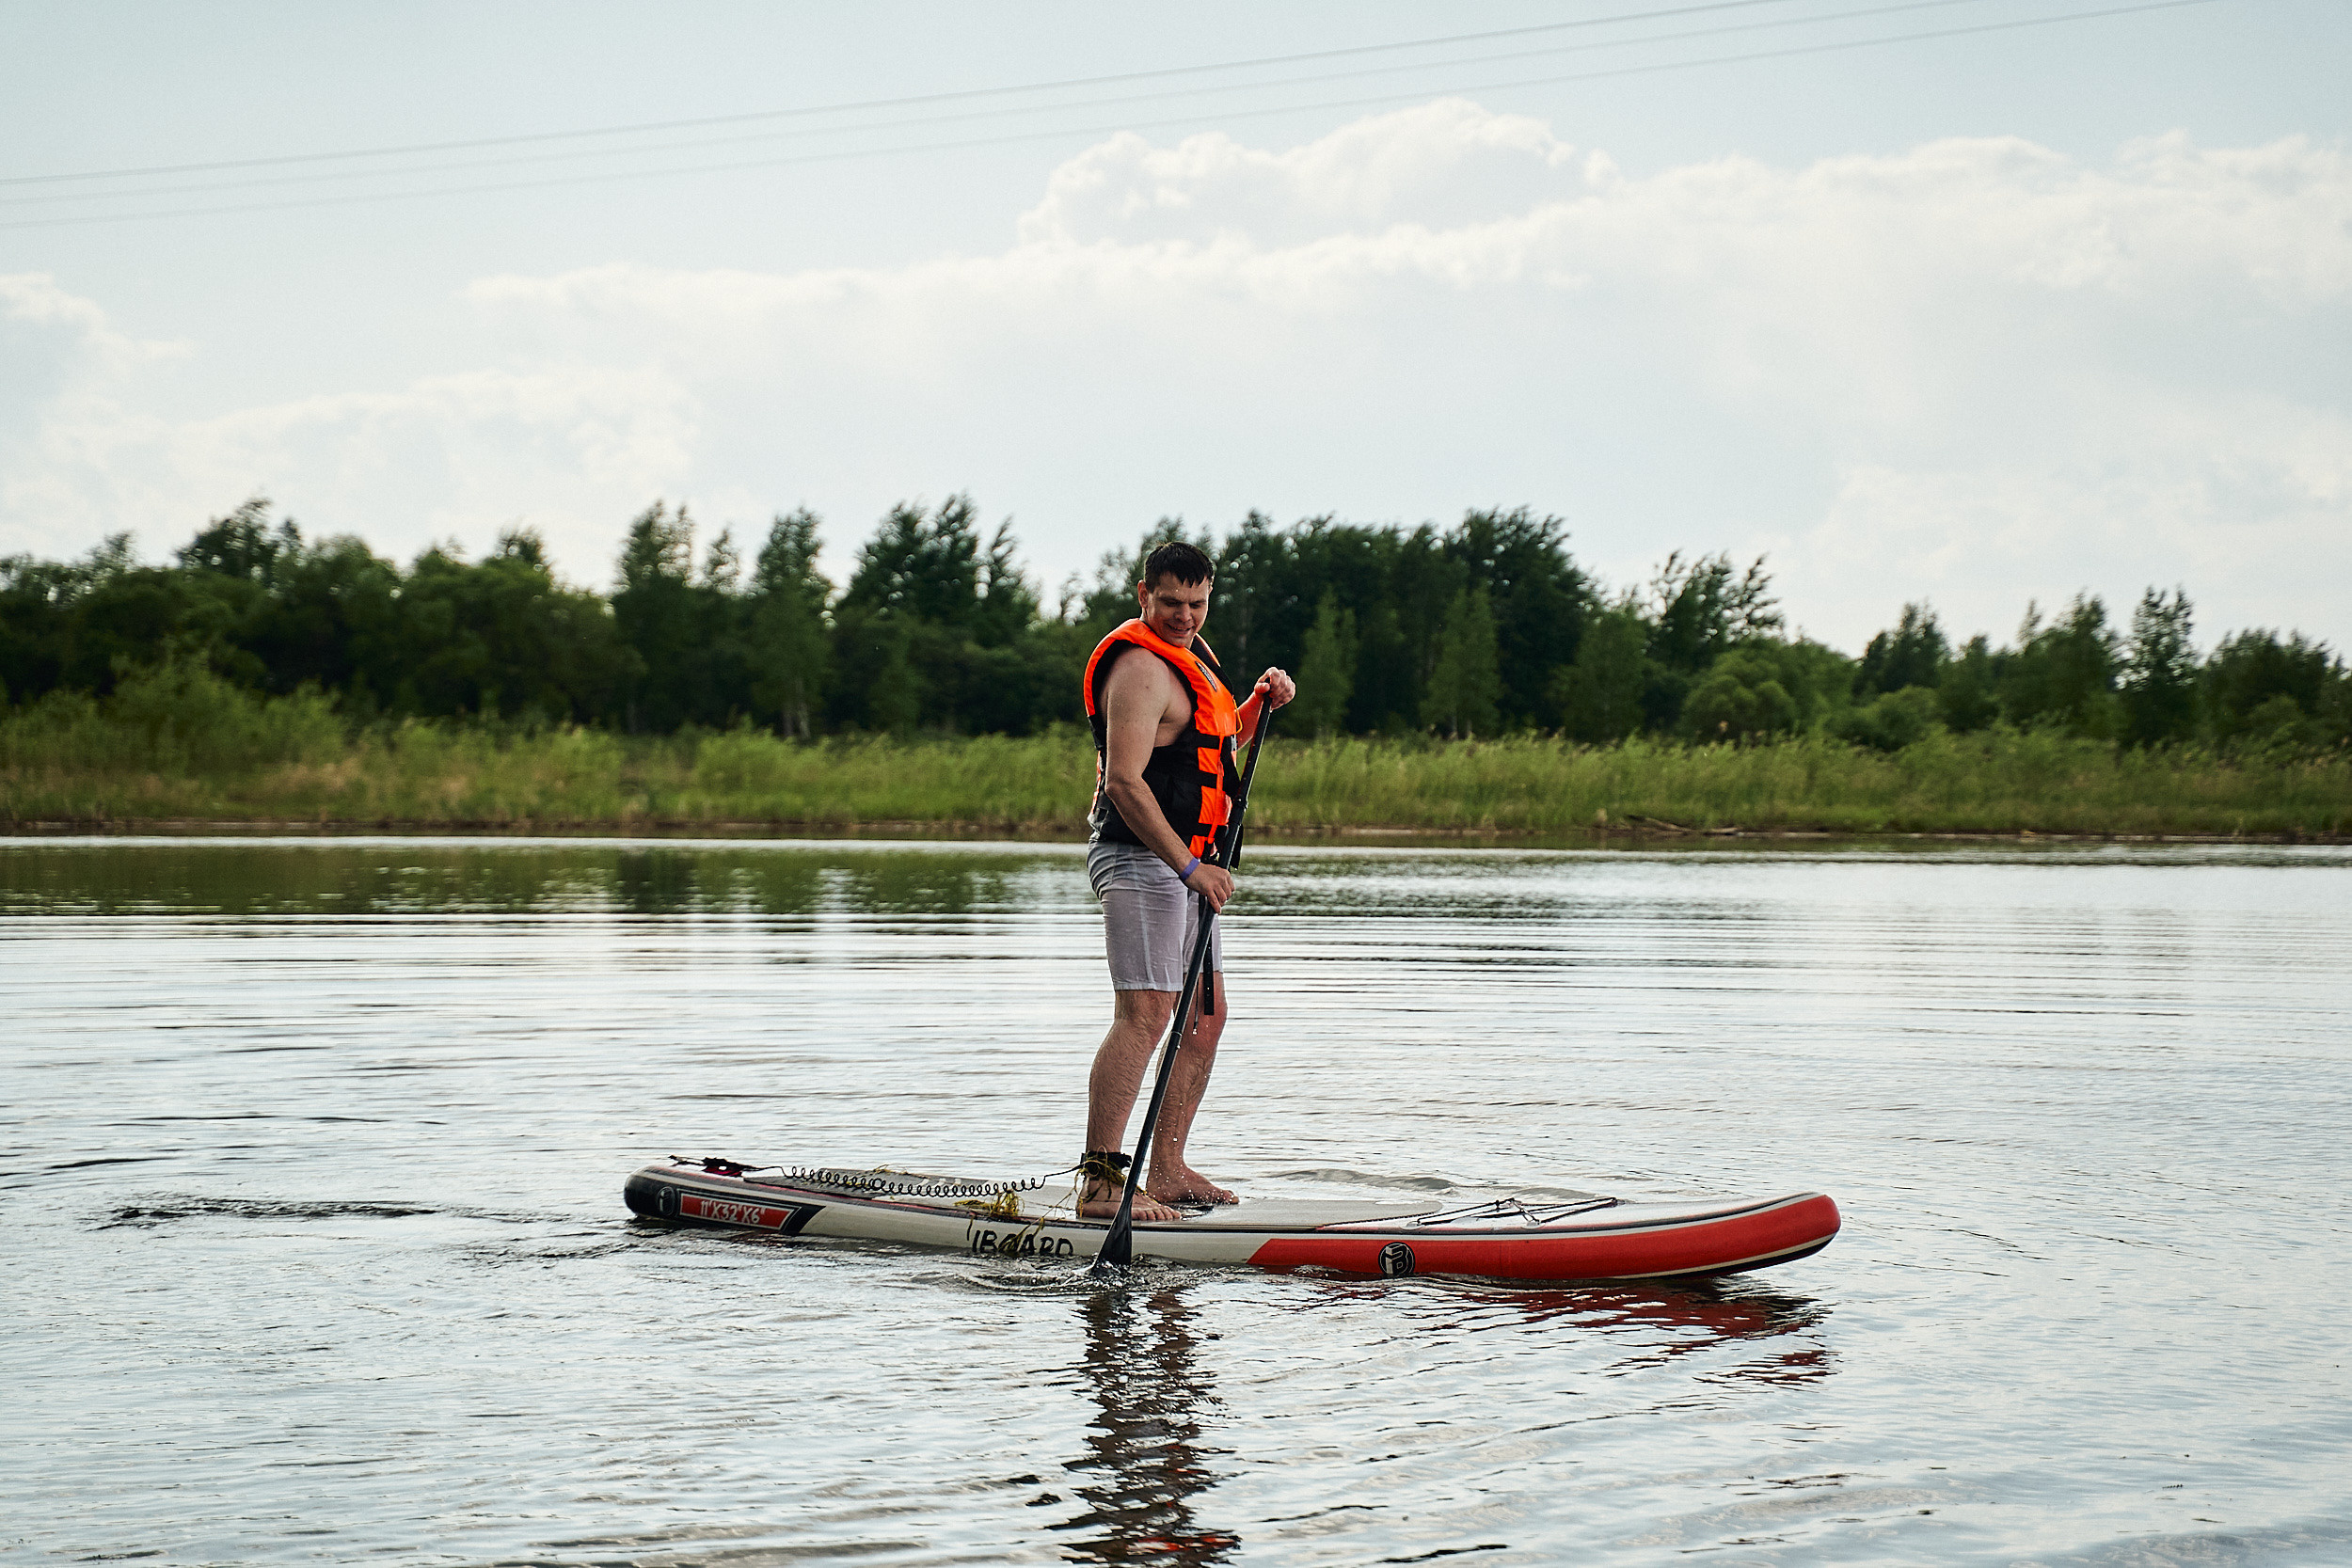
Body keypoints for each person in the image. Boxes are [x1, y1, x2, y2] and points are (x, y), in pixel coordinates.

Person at [1077, 542, 1295, 1220]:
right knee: (1145, 1015)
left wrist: (1260, 702)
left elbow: (1211, 742)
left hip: (1188, 867)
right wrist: (1192, 867)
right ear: (1144, 593)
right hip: (1146, 857)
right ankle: (1102, 1180)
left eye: (1196, 604)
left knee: (1203, 1018)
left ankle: (1166, 1168)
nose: (1183, 615)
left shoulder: (1195, 662)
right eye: (1169, 601)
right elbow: (1124, 781)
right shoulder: (1141, 668)